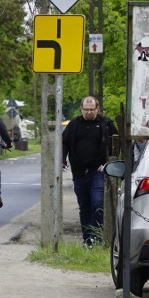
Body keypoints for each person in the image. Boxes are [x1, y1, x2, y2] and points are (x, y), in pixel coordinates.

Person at [62, 95, 118, 247]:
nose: (88, 113)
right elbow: (64, 142)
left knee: (97, 204)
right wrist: (62, 159)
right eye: (85, 110)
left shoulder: (106, 124)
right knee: (84, 206)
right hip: (79, 172)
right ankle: (88, 240)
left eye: (91, 110)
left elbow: (117, 144)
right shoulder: (73, 124)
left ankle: (98, 237)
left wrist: (108, 163)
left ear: (97, 109)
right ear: (81, 109)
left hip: (98, 171)